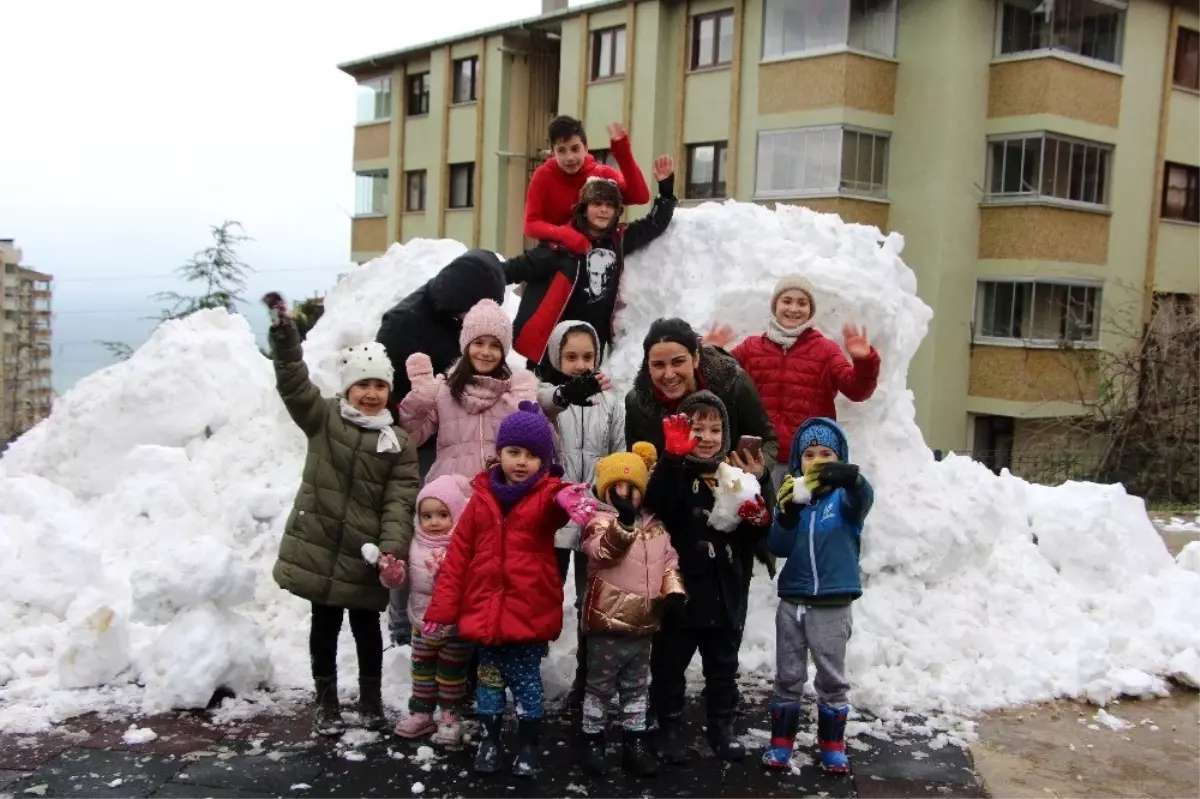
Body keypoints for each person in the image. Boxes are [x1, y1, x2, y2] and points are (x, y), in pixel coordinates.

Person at [266, 296, 419, 736]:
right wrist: (285, 339)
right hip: (319, 542)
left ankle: (369, 700)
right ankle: (326, 702)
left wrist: (391, 551)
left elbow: (399, 500)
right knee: (324, 626)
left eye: (380, 386)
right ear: (348, 388)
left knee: (367, 629)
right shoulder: (324, 419)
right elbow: (294, 385)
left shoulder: (398, 442)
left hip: (363, 554)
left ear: (390, 391)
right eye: (362, 385)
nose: (371, 394)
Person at [422, 402, 600, 778]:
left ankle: (530, 745)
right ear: (499, 453)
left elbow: (557, 503)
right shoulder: (480, 500)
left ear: (543, 460)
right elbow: (457, 560)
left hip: (526, 613)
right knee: (488, 686)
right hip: (485, 616)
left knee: (526, 686)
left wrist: (568, 498)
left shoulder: (545, 495)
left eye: (532, 455)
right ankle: (489, 740)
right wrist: (441, 611)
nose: (521, 461)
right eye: (513, 452)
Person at [374, 249, 506, 646]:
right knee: (421, 532)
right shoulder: (404, 323)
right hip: (420, 442)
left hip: (461, 441)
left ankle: (461, 625)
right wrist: (416, 404)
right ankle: (405, 622)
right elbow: (385, 389)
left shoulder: (465, 315)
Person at [641, 393, 774, 765]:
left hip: (724, 588)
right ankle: (666, 725)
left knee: (723, 667)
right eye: (697, 428)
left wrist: (758, 517)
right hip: (681, 590)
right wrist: (671, 458)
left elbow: (756, 535)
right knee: (669, 664)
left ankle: (721, 726)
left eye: (715, 429)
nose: (707, 436)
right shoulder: (676, 472)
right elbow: (656, 503)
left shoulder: (735, 477)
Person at [763, 417, 873, 775]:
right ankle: (781, 743)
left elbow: (863, 497)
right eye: (810, 454)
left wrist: (852, 479)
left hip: (832, 602)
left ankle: (832, 745)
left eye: (827, 453)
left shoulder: (845, 501)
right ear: (798, 462)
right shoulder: (794, 497)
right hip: (793, 600)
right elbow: (776, 546)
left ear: (839, 458)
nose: (818, 460)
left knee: (831, 678)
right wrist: (786, 515)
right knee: (788, 675)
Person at [507, 156, 677, 368]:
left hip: (592, 347)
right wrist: (478, 277)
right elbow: (515, 269)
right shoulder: (561, 246)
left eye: (610, 205)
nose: (604, 210)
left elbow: (655, 223)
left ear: (617, 211)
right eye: (597, 204)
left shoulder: (619, 241)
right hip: (555, 348)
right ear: (584, 209)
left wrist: (666, 188)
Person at [577, 443, 682, 778]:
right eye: (616, 488)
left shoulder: (656, 526)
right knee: (600, 687)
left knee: (637, 688)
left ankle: (633, 741)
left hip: (644, 625)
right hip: (608, 626)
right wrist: (621, 523)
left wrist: (674, 591)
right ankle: (593, 738)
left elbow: (669, 562)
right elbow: (601, 553)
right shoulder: (598, 523)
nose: (625, 494)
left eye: (632, 488)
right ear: (606, 491)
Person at [535, 319, 624, 706]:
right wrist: (564, 394)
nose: (580, 364)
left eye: (588, 356)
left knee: (591, 598)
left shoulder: (612, 401)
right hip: (554, 516)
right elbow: (542, 414)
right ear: (557, 357)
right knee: (541, 591)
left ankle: (587, 678)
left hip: (595, 517)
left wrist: (613, 501)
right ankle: (530, 668)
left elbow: (619, 452)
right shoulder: (546, 396)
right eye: (570, 356)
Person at [719, 276, 879, 488]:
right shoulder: (751, 348)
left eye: (802, 303)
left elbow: (857, 391)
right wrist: (713, 352)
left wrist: (864, 361)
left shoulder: (825, 350)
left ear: (810, 311)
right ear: (775, 305)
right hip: (761, 459)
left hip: (807, 458)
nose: (794, 308)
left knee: (801, 519)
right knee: (760, 518)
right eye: (786, 301)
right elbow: (719, 382)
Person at [398, 298, 538, 485]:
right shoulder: (444, 389)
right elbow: (412, 437)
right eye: (479, 343)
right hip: (449, 496)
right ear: (466, 345)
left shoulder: (513, 391)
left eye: (495, 345)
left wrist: (527, 408)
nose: (486, 352)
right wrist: (420, 397)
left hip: (498, 495)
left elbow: (537, 447)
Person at [394, 474, 475, 746]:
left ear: (456, 513)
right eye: (427, 516)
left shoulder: (462, 544)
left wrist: (443, 574)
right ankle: (421, 714)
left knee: (451, 673)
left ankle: (450, 716)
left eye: (442, 514)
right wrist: (392, 573)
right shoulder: (415, 542)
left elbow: (467, 583)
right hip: (422, 620)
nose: (434, 522)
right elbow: (403, 580)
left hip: (453, 626)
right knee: (422, 670)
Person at [524, 116, 650, 255]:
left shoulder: (601, 173)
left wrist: (623, 153)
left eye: (575, 149)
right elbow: (531, 224)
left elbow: (640, 196)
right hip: (553, 258)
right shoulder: (543, 176)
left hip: (596, 257)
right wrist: (565, 235)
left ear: (586, 148)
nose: (570, 157)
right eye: (561, 151)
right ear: (553, 153)